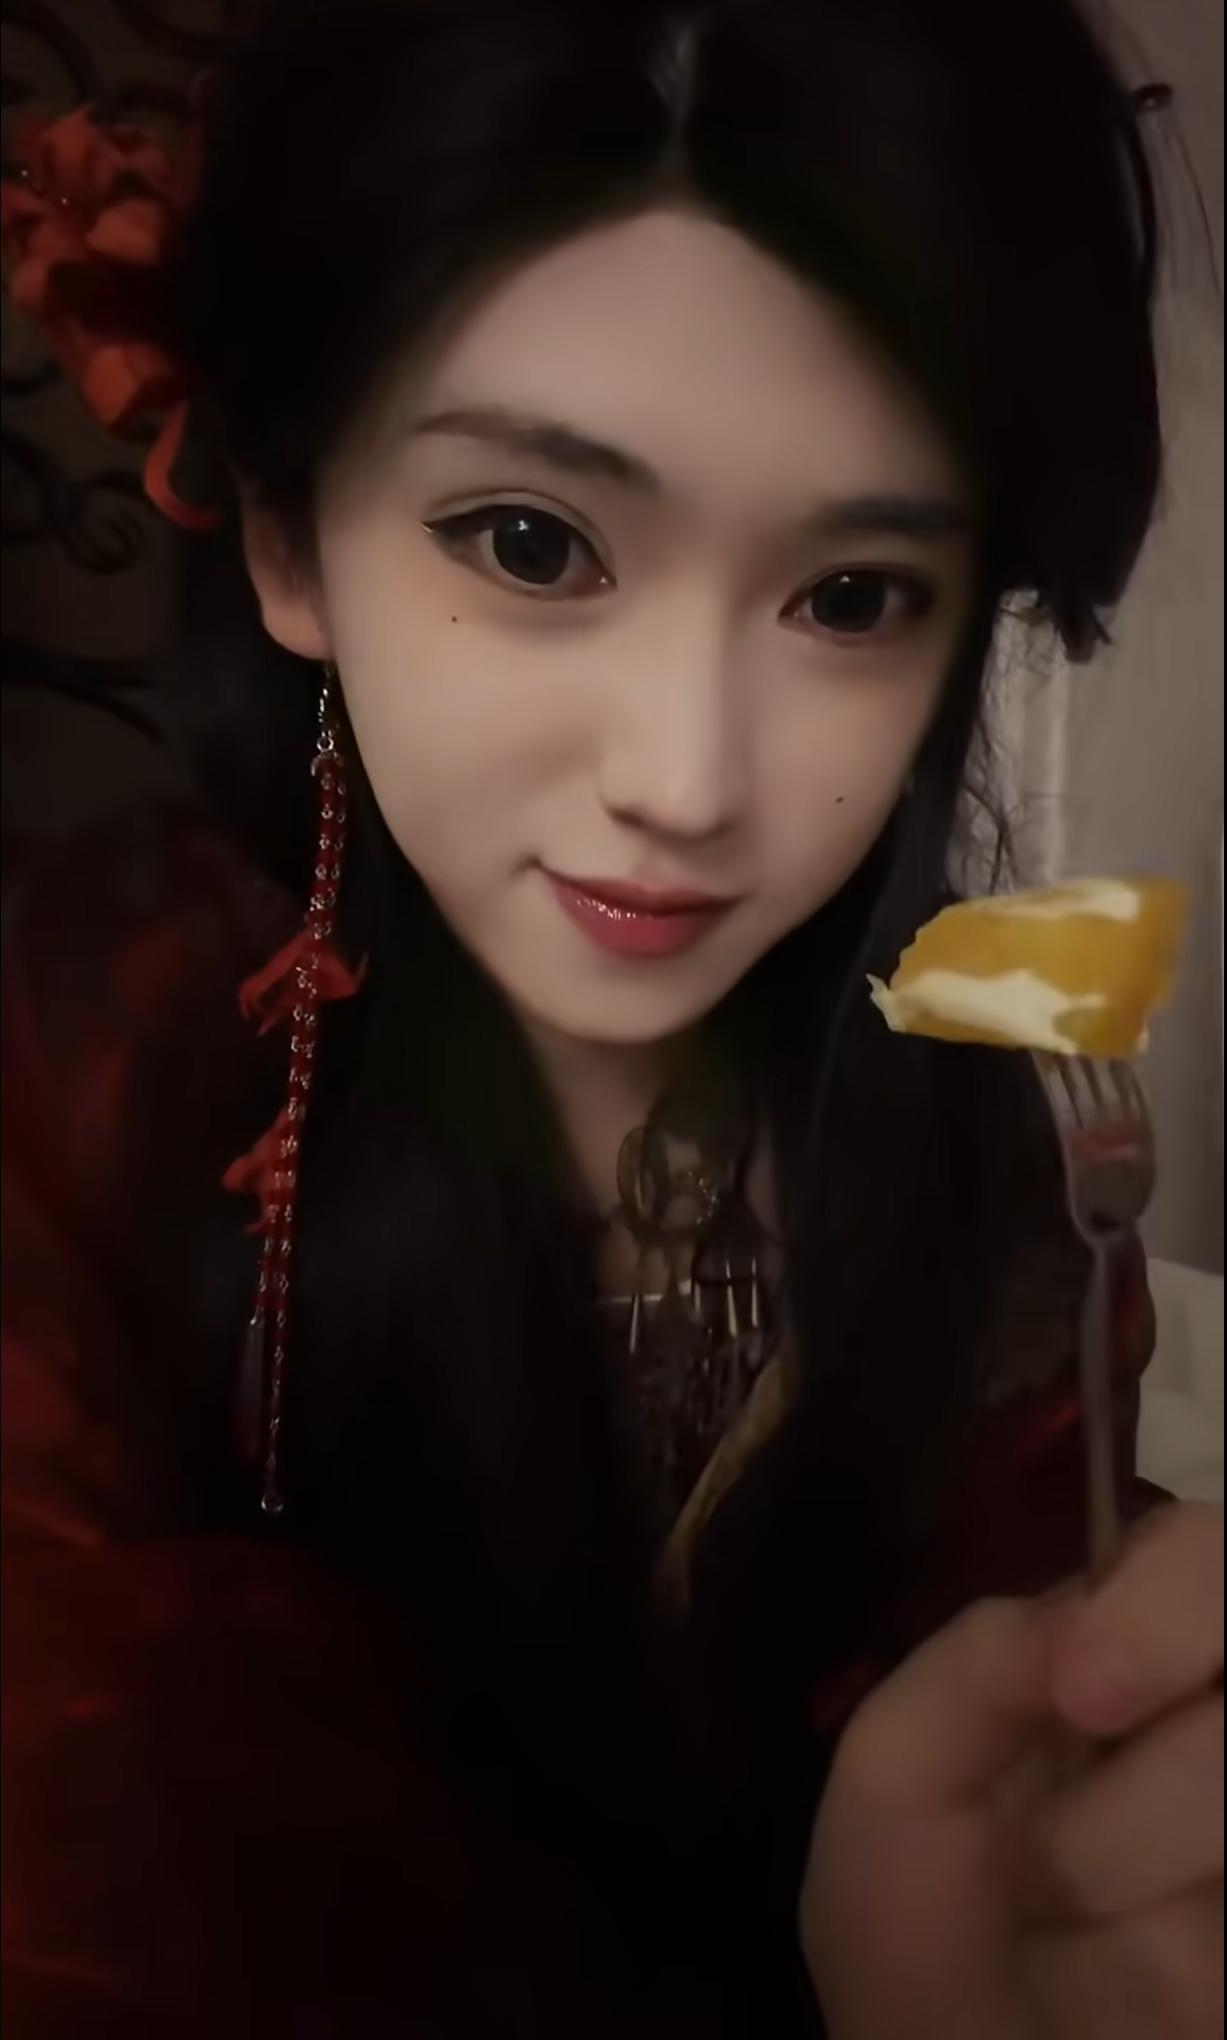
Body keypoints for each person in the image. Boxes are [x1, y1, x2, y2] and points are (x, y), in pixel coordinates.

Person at [1, 2, 1221, 2033]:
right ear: (292, 535)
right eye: (532, 543)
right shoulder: (74, 1076)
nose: (686, 780)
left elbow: (1013, 1628)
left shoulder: (976, 1101)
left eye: (852, 597)